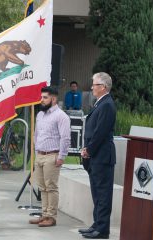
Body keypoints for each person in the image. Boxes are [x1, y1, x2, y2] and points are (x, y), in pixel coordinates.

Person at [79, 72, 116, 239]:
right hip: (95, 156)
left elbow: (101, 132)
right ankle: (97, 224)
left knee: (103, 194)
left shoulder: (107, 104)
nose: (92, 87)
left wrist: (89, 150)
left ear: (104, 87)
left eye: (95, 84)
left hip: (102, 157)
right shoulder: (100, 103)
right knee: (96, 193)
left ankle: (102, 230)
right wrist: (87, 148)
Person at [29, 86, 71, 227]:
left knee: (51, 187)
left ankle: (51, 218)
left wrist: (61, 156)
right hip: (40, 155)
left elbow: (65, 138)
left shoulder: (61, 116)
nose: (41, 100)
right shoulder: (40, 115)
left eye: (45, 97)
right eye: (41, 97)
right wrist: (36, 154)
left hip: (52, 156)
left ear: (53, 99)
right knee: (42, 188)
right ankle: (44, 215)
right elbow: (36, 135)